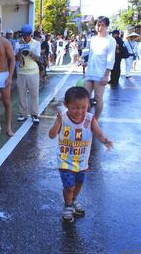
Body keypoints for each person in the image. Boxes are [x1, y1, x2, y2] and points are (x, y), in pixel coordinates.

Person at [48, 86, 113, 223]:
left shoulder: (89, 119)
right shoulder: (63, 119)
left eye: (83, 107)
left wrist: (105, 140)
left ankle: (73, 200)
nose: (79, 111)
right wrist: (57, 123)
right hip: (65, 160)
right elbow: (52, 135)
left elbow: (98, 133)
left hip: (82, 160)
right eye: (75, 107)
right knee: (69, 186)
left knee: (79, 183)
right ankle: (67, 205)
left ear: (88, 105)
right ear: (66, 105)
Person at [82, 16, 116, 120]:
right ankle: (87, 118)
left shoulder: (111, 40)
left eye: (102, 25)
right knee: (84, 97)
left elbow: (111, 59)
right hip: (90, 71)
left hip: (101, 73)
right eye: (98, 24)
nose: (99, 27)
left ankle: (95, 120)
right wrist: (85, 62)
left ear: (106, 26)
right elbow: (91, 54)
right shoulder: (93, 39)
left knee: (98, 97)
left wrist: (106, 75)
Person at [16, 24, 41, 123]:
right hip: (21, 71)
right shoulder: (19, 43)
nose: (26, 37)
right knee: (21, 94)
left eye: (27, 35)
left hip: (33, 71)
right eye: (24, 35)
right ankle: (22, 113)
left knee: (34, 94)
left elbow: (38, 58)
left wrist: (30, 52)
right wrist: (20, 51)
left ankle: (35, 114)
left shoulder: (36, 43)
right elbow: (16, 58)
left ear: (31, 34)